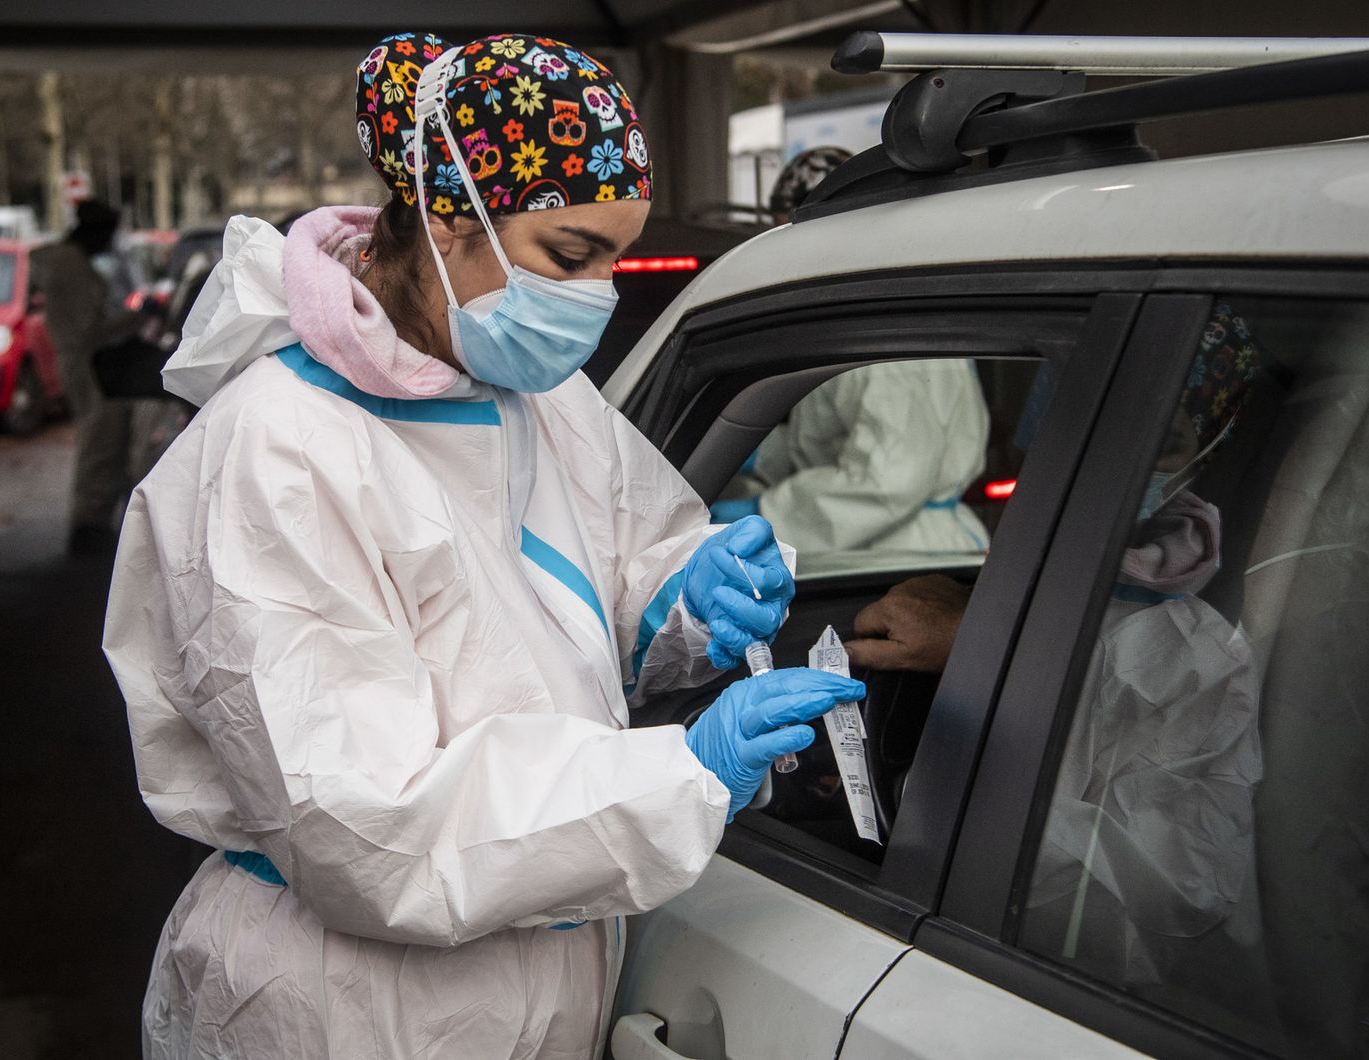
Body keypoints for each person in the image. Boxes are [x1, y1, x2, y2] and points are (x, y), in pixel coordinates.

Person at [102, 32, 862, 1059]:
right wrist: (685, 772)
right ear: (450, 221)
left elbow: (572, 608)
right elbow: (366, 826)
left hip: (533, 969)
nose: (596, 295)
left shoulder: (534, 393)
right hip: (348, 1008)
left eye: (615, 256)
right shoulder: (278, 449)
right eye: (570, 255)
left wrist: (684, 603)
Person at [846, 307, 1266, 993]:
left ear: (1205, 456)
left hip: (1056, 989)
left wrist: (991, 661)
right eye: (1091, 428)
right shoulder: (1020, 578)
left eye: (1166, 441)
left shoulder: (1200, 656)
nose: (1118, 460)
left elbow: (1166, 891)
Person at [712, 360, 991, 561]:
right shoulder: (889, 331)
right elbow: (838, 442)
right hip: (908, 542)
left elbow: (892, 479)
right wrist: (762, 454)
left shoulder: (878, 355)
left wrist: (767, 513)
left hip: (892, 550)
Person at [29, 198, 139, 554]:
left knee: (100, 438)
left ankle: (93, 518)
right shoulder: (71, 267)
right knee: (99, 440)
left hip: (82, 360)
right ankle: (88, 522)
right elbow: (88, 330)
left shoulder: (68, 263)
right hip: (87, 363)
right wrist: (135, 318)